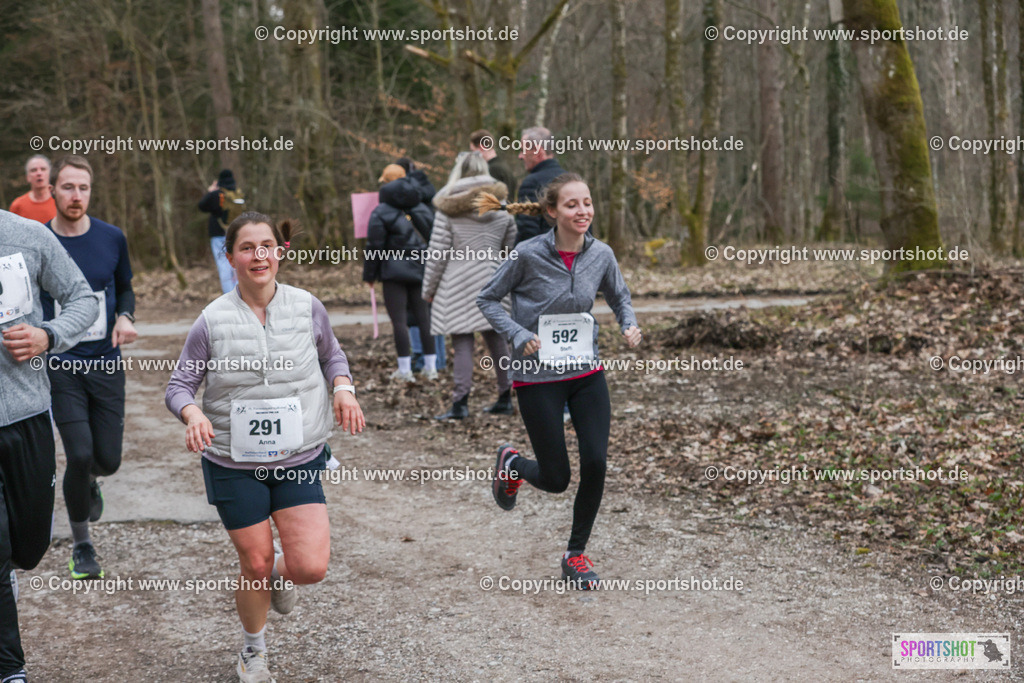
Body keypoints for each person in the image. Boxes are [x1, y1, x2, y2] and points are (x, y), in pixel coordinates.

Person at [165, 211, 364, 683]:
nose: (259, 255)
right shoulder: (211, 320)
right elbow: (179, 386)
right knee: (253, 561)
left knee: (310, 568)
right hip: (234, 462)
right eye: (247, 247)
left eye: (267, 246)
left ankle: (280, 573)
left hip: (298, 458)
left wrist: (343, 388)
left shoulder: (307, 306)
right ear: (230, 256)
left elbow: (331, 353)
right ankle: (253, 649)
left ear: (281, 252)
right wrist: (192, 414)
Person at [476, 173, 641, 589]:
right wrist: (517, 334)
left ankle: (575, 554)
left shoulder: (601, 254)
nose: (582, 211)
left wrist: (629, 324)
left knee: (597, 463)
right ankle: (512, 465)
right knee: (556, 478)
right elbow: (487, 299)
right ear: (552, 212)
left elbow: (619, 295)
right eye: (572, 205)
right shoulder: (527, 254)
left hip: (585, 373)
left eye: (587, 203)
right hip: (536, 376)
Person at [0, 209, 97, 683]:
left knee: (29, 546)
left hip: (27, 415)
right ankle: (10, 669)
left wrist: (47, 335)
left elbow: (82, 298)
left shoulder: (26, 236)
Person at [40, 155, 137, 581]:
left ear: (90, 192)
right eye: (67, 187)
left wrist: (125, 317)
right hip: (60, 363)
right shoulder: (38, 240)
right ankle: (82, 547)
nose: (75, 196)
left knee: (108, 460)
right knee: (78, 454)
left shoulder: (112, 237)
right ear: (53, 191)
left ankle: (91, 480)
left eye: (83, 188)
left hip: (105, 362)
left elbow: (126, 287)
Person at [423, 152, 515, 420]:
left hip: (458, 281)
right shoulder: (502, 206)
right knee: (497, 338)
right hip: (494, 277)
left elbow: (437, 254)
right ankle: (505, 396)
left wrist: (428, 290)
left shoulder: (448, 208)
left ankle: (460, 402)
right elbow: (510, 247)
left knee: (462, 341)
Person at [363, 164, 437, 382]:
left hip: (393, 273)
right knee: (425, 319)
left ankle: (405, 370)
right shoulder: (422, 208)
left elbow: (374, 247)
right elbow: (435, 239)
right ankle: (431, 368)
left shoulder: (380, 212)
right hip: (421, 270)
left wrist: (369, 276)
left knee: (399, 322)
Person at [513, 127, 566, 244]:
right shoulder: (571, 180)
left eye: (523, 150)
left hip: (542, 257)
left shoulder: (531, 183)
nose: (520, 156)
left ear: (538, 152)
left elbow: (527, 233)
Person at [198, 169, 245, 294]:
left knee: (223, 264)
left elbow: (201, 206)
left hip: (218, 233)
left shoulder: (216, 194)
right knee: (236, 263)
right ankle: (240, 294)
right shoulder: (237, 193)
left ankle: (229, 295)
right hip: (236, 234)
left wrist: (210, 191)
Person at [469, 129, 517, 199]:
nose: (472, 155)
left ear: (482, 147)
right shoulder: (504, 167)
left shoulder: (492, 170)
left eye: (473, 151)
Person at [8, 155, 56, 224]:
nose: (39, 173)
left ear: (50, 174)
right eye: (34, 170)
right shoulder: (17, 206)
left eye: (43, 169)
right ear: (27, 177)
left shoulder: (60, 202)